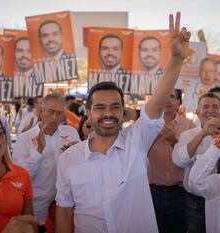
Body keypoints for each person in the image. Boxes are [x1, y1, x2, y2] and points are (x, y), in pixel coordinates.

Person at [55, 12, 191, 233]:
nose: (108, 113)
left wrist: (176, 60)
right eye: (100, 108)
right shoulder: (68, 159)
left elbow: (155, 105)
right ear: (87, 114)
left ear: (123, 111)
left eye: (115, 107)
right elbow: (64, 209)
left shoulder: (136, 142)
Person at [12, 93, 80, 223]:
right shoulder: (25, 138)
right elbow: (20, 178)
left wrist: (77, 154)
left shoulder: (71, 132)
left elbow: (81, 171)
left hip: (67, 207)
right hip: (38, 210)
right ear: (41, 111)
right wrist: (38, 152)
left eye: (59, 113)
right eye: (51, 112)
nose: (55, 117)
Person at [172, 92, 220, 233]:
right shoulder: (188, 135)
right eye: (205, 106)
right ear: (197, 111)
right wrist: (202, 134)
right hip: (196, 202)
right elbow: (178, 160)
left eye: (215, 106)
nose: (210, 110)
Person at [147, 88, 195, 233]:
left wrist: (173, 141)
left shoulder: (189, 126)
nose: (167, 100)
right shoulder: (147, 126)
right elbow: (137, 154)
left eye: (172, 97)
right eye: (164, 96)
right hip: (152, 192)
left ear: (178, 103)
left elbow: (193, 159)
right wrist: (151, 138)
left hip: (180, 193)